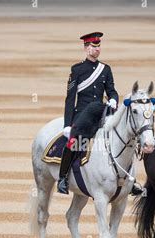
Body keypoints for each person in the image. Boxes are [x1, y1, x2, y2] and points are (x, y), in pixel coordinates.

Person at [56, 32, 121, 194]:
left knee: (123, 135)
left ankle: (125, 177)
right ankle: (63, 178)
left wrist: (113, 99)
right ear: (86, 48)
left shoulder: (105, 69)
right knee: (73, 142)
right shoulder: (77, 70)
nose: (97, 49)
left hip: (100, 113)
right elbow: (70, 99)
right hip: (82, 115)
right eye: (93, 46)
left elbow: (111, 91)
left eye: (98, 46)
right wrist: (67, 124)